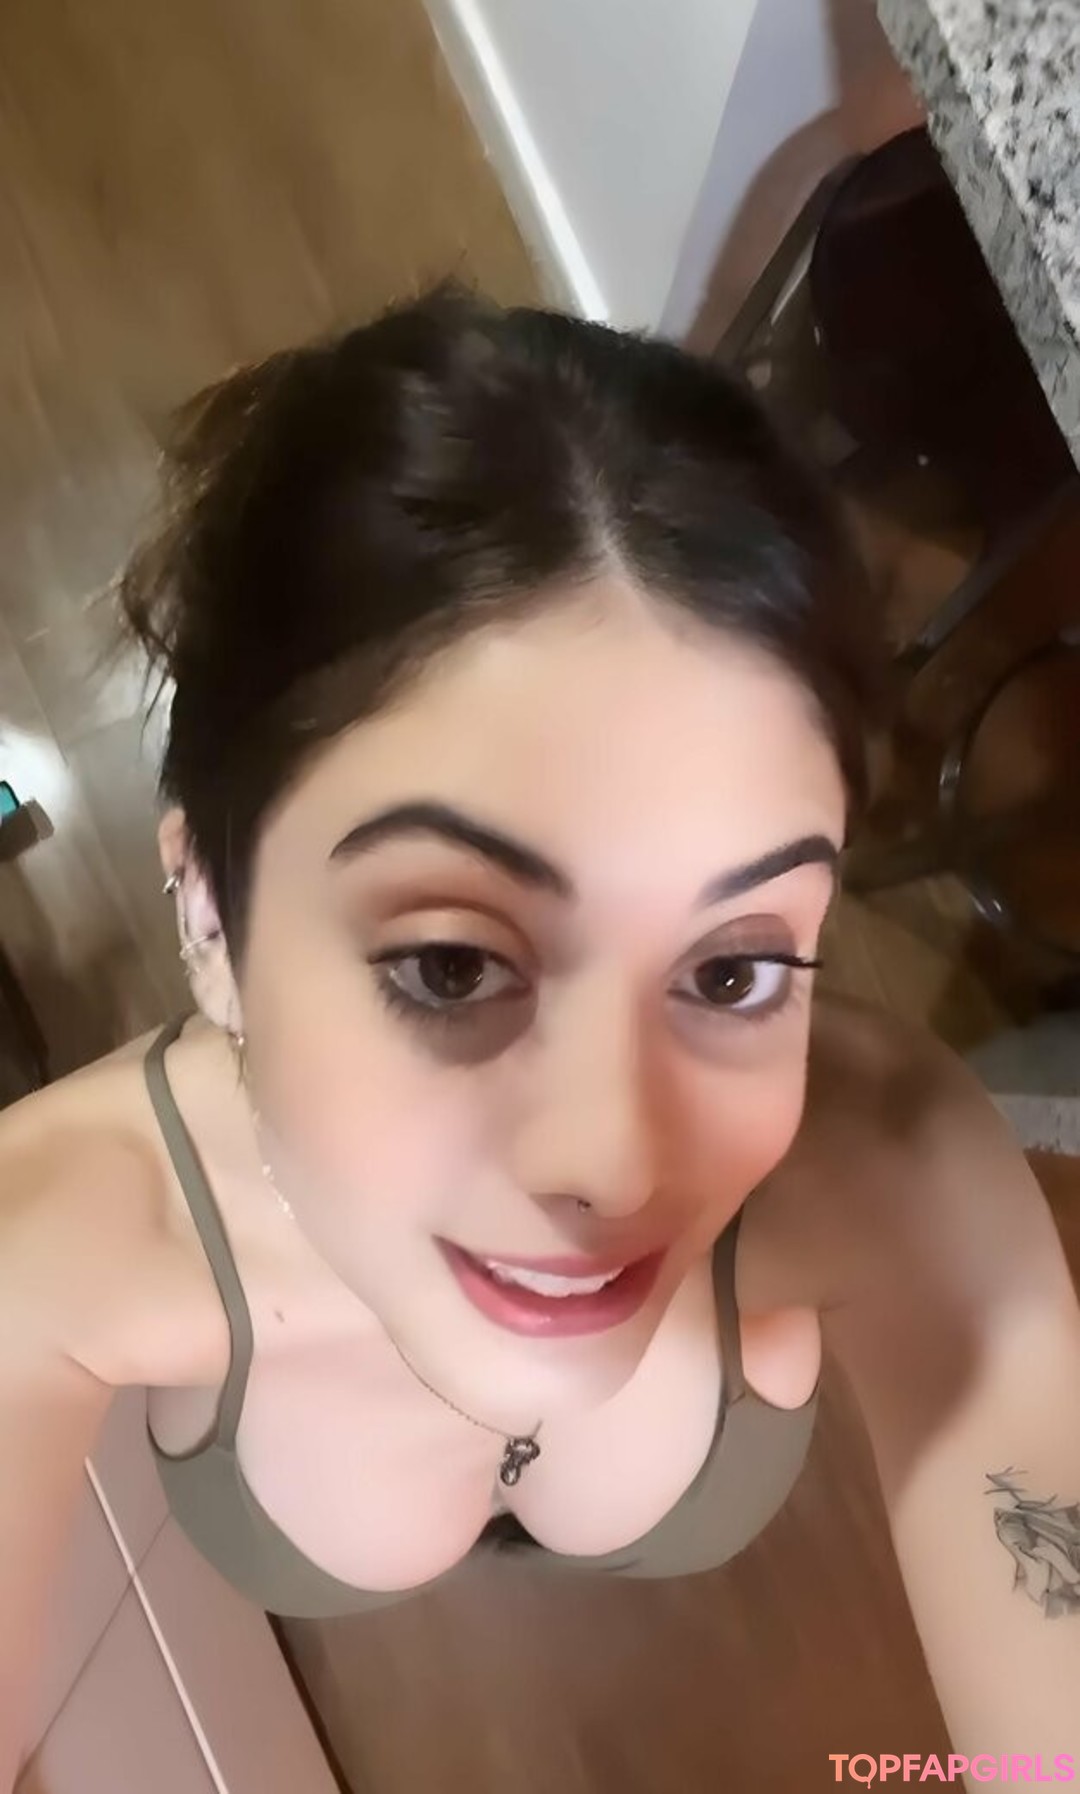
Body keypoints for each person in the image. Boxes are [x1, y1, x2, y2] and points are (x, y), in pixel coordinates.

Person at [2, 287, 1078, 1785]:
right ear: (209, 911)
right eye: (451, 966)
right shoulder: (53, 1232)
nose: (615, 1165)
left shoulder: (897, 1172)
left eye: (734, 970)